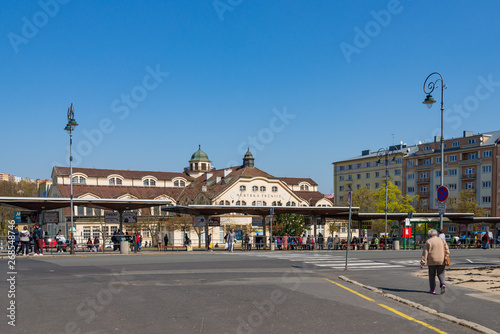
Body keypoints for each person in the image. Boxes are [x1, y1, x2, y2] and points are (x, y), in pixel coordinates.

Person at [420, 229, 450, 294]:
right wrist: (446, 255)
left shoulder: (429, 241)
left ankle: (432, 289)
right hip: (441, 260)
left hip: (431, 260)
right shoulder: (442, 240)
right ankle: (443, 284)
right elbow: (447, 250)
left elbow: (425, 253)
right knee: (441, 273)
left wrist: (423, 262)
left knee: (432, 274)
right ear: (436, 234)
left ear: (429, 235)